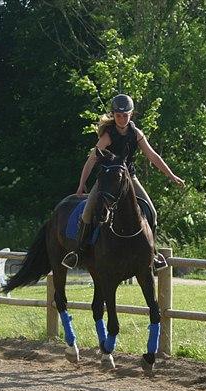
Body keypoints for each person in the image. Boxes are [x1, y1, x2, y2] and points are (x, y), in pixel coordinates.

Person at [62, 94, 185, 270]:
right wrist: (82, 184)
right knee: (87, 212)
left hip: (129, 178)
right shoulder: (107, 136)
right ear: (113, 115)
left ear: (131, 114)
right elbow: (91, 160)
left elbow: (152, 156)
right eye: (118, 115)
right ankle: (78, 252)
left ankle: (153, 252)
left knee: (152, 212)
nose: (122, 118)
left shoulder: (136, 134)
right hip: (108, 179)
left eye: (125, 115)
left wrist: (171, 175)